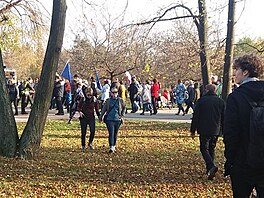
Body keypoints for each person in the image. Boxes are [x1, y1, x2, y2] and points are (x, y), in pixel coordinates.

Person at [223, 54, 264, 197]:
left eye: (236, 69)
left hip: (243, 160)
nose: (234, 73)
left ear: (245, 72)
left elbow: (230, 133)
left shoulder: (235, 97)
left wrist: (230, 159)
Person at [190, 84, 225, 180]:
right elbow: (223, 117)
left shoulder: (201, 101)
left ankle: (211, 166)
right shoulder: (220, 102)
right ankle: (209, 171)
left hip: (204, 129)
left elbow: (196, 117)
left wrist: (193, 130)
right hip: (215, 129)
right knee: (211, 149)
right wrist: (223, 130)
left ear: (206, 90)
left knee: (203, 148)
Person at [99, 87, 126, 153]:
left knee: (115, 134)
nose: (114, 94)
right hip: (109, 119)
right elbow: (103, 110)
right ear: (110, 93)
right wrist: (100, 117)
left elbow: (124, 107)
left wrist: (122, 116)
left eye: (115, 92)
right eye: (113, 92)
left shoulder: (120, 100)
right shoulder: (108, 101)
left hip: (117, 120)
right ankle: (111, 146)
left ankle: (114, 145)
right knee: (111, 133)